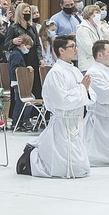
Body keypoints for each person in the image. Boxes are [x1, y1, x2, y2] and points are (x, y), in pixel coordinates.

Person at [25, 35, 92, 178]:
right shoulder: (56, 73)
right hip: (63, 122)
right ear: (61, 50)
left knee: (81, 167)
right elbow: (61, 100)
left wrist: (84, 90)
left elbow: (84, 93)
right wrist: (81, 90)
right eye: (72, 46)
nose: (76, 49)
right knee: (65, 167)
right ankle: (32, 155)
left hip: (75, 122)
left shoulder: (74, 70)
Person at [4, 3, 42, 97]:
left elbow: (37, 44)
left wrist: (40, 58)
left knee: (35, 86)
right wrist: (13, 41)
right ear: (20, 13)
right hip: (20, 59)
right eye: (25, 12)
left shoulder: (32, 27)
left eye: (29, 11)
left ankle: (34, 111)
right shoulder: (13, 27)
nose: (28, 13)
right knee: (22, 88)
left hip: (33, 59)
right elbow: (5, 45)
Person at [8, 34, 35, 131]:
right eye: (27, 47)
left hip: (18, 82)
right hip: (18, 82)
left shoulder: (17, 54)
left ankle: (20, 121)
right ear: (21, 45)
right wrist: (25, 69)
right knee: (24, 102)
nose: (27, 50)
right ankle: (19, 121)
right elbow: (15, 69)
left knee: (22, 102)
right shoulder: (16, 54)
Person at [75, 4, 103, 74]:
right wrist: (99, 47)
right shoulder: (82, 29)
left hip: (99, 64)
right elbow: (89, 48)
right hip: (87, 65)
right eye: (96, 13)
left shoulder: (97, 27)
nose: (98, 15)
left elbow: (103, 44)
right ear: (89, 15)